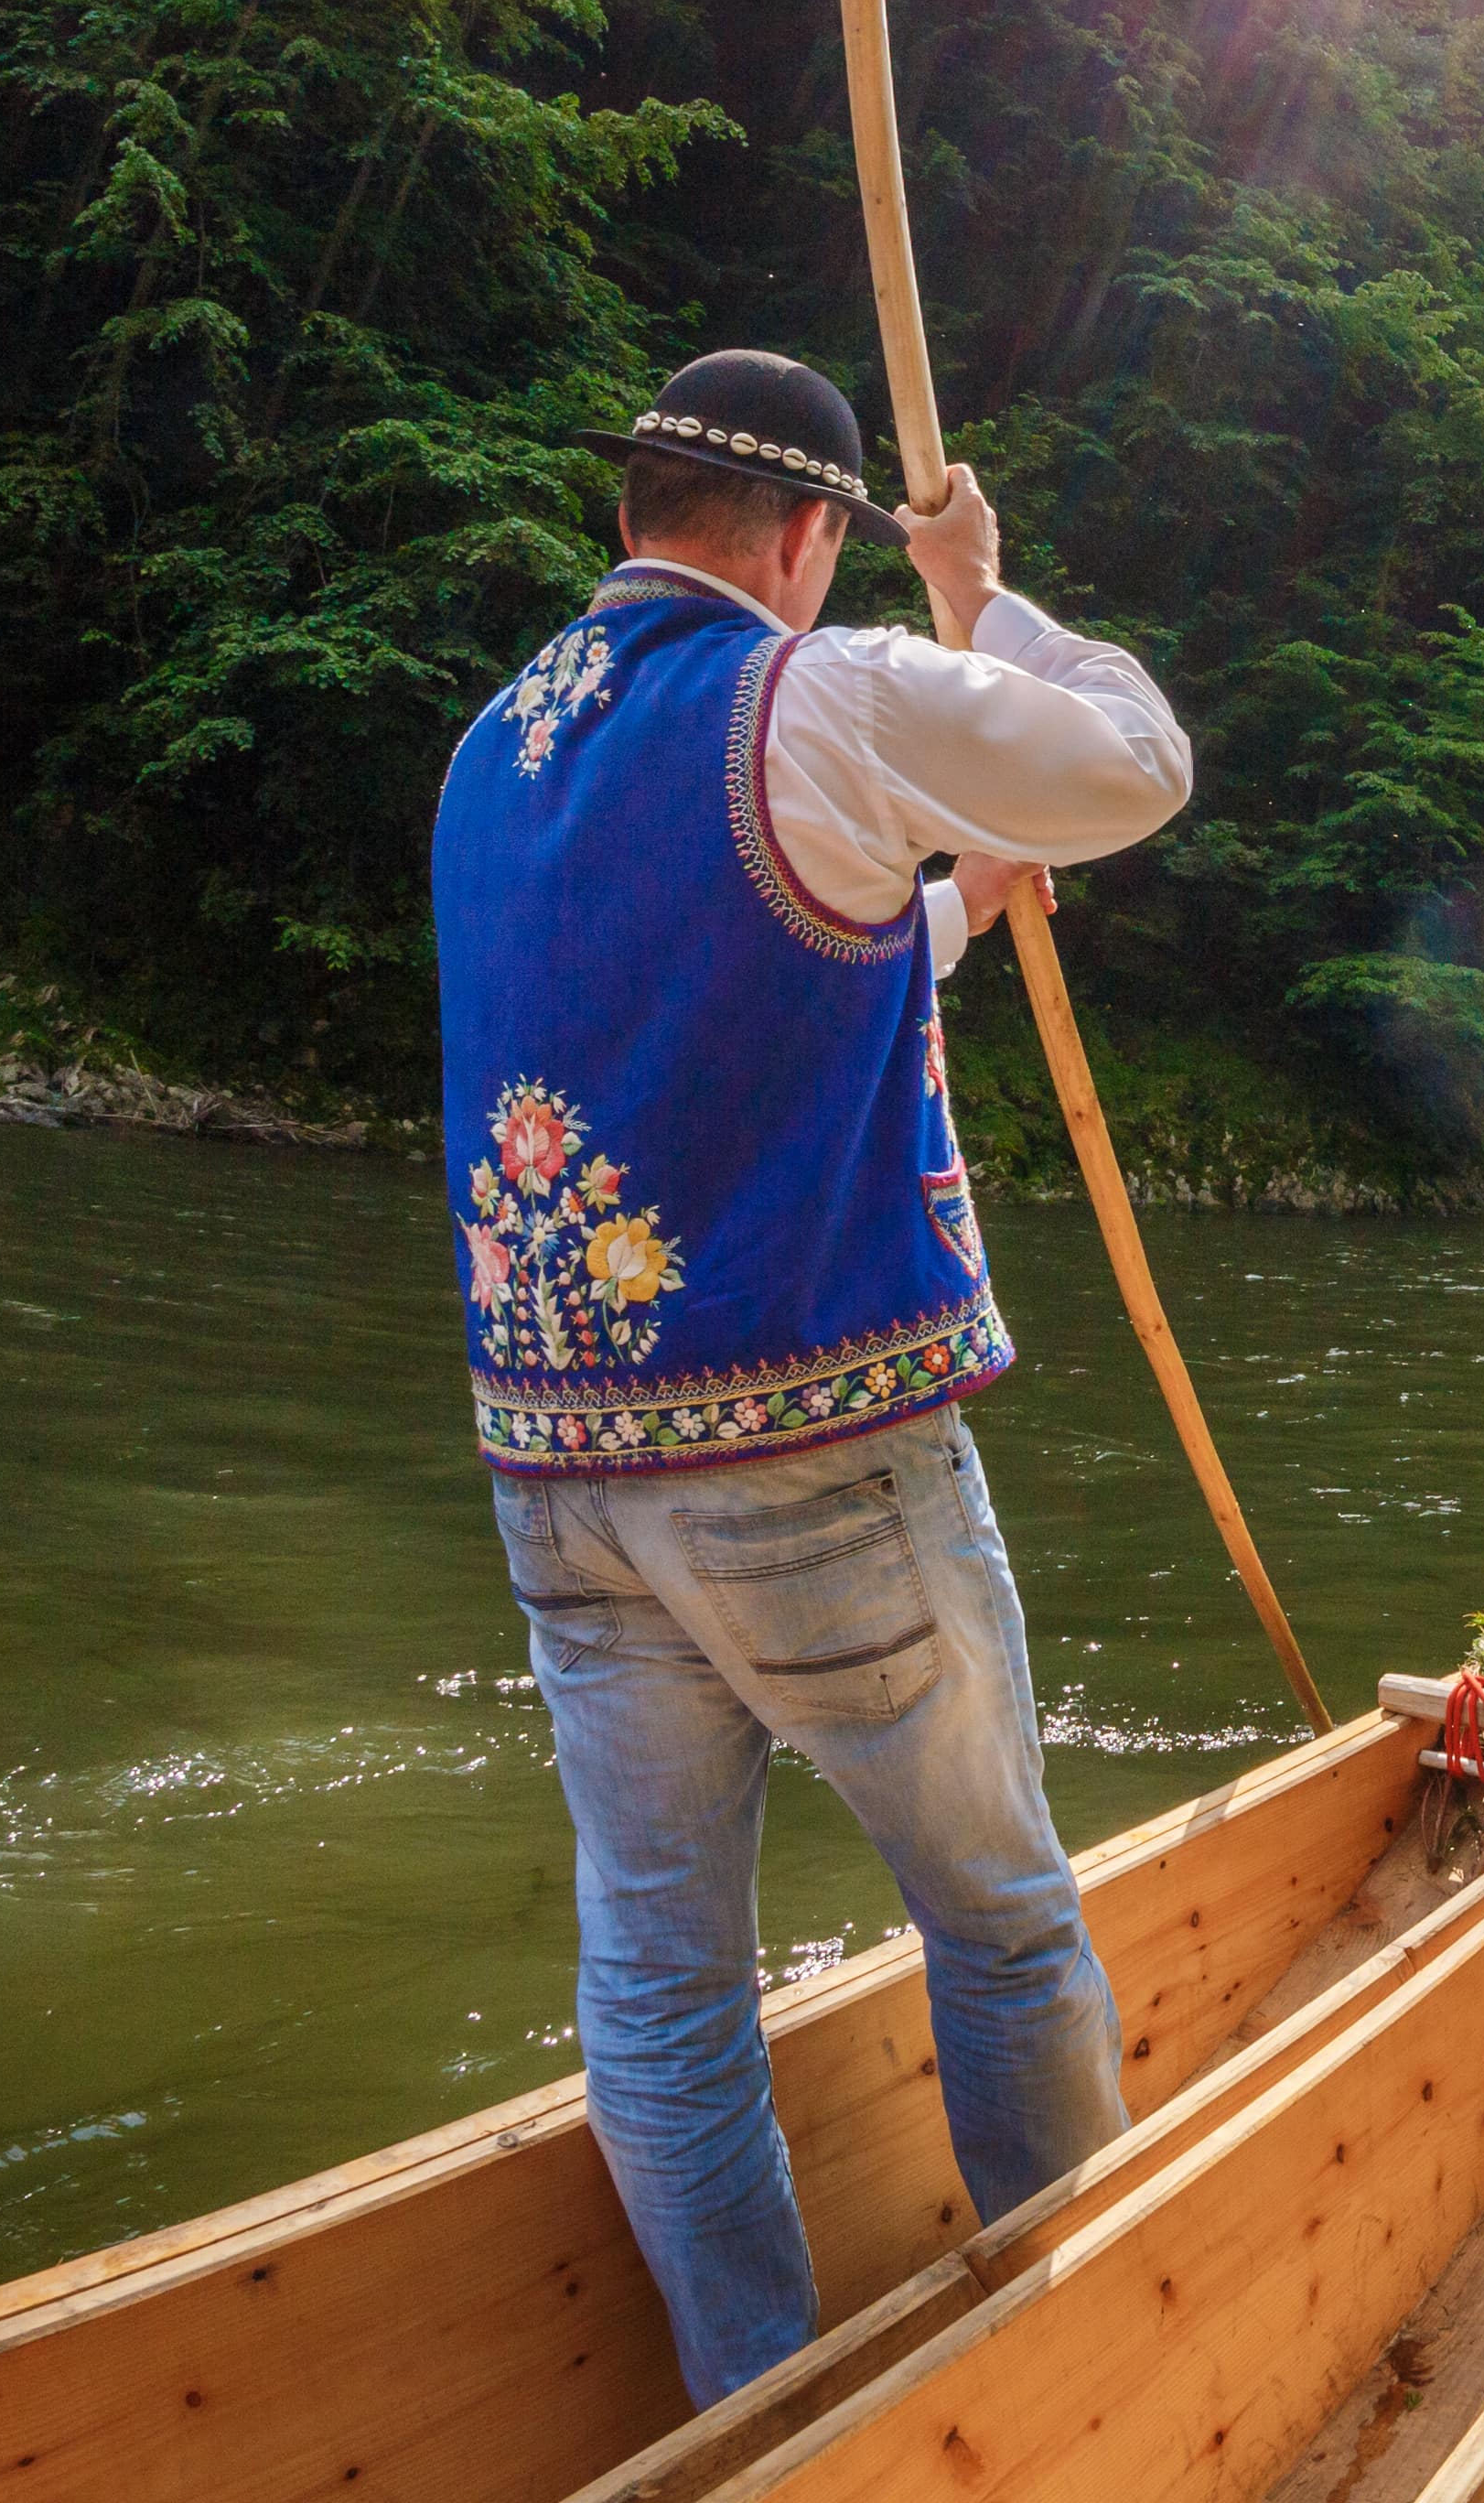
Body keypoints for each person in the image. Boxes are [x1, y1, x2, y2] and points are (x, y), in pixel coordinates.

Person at [430, 346, 1194, 2404]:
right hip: (816, 1474)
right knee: (1006, 1922)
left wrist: (945, 911)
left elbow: (709, 1002)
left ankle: (752, 2416)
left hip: (565, 1498)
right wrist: (982, 603)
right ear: (801, 540)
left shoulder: (492, 750)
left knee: (665, 2002)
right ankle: (1070, 2377)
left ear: (629, 518)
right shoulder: (821, 688)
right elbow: (1134, 767)